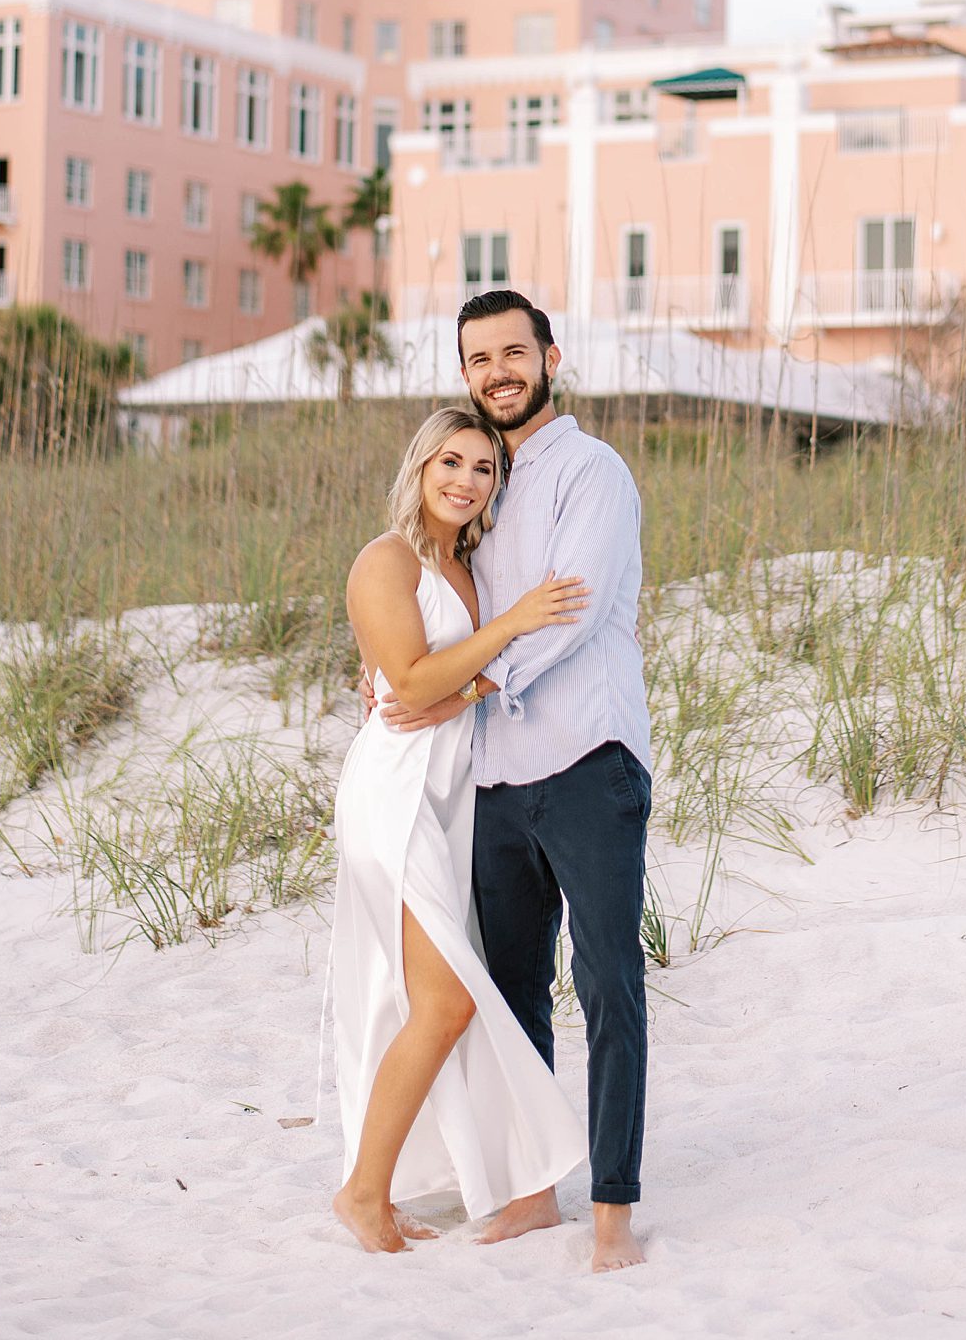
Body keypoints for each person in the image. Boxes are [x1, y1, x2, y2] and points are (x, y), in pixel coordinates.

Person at [380, 291, 652, 1274]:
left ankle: (613, 1205)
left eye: (512, 352)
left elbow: (571, 612)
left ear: (549, 354)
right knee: (509, 992)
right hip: (495, 774)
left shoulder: (592, 470)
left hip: (587, 758)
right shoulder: (479, 484)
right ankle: (535, 1193)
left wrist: (474, 685)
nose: (497, 371)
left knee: (609, 980)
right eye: (477, 359)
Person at [330, 406, 590, 1255]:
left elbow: (450, 681)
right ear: (420, 465)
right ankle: (363, 1194)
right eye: (451, 461)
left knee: (414, 997)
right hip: (397, 793)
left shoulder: (467, 564)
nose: (465, 481)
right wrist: (506, 632)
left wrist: (467, 684)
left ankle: (393, 1183)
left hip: (454, 795)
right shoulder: (388, 559)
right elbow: (406, 683)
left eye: (483, 469)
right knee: (442, 1001)